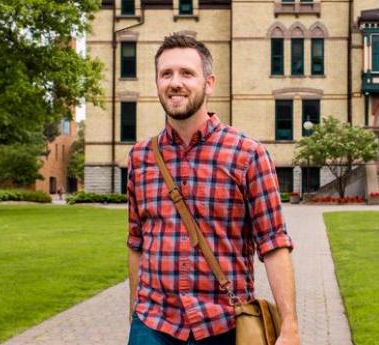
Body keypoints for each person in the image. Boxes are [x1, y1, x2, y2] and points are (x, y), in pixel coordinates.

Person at [126, 33, 300, 345]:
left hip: (224, 326)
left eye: (187, 73)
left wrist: (289, 326)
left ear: (209, 83)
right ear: (156, 83)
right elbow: (136, 243)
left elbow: (274, 245)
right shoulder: (141, 158)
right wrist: (133, 314)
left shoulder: (247, 155)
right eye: (166, 74)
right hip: (153, 324)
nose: (175, 82)